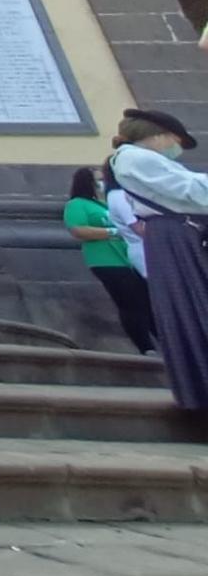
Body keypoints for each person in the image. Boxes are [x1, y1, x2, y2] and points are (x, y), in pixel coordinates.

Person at [107, 108, 208, 410]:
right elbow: (186, 191)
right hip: (176, 236)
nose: (175, 148)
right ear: (159, 135)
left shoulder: (144, 160)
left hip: (179, 233)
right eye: (175, 141)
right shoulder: (134, 159)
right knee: (195, 304)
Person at [63, 166, 155, 356]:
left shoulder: (106, 204)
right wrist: (113, 232)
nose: (101, 182)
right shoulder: (77, 204)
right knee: (129, 302)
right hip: (105, 260)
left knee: (146, 301)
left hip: (127, 258)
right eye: (97, 179)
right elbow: (78, 230)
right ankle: (146, 347)